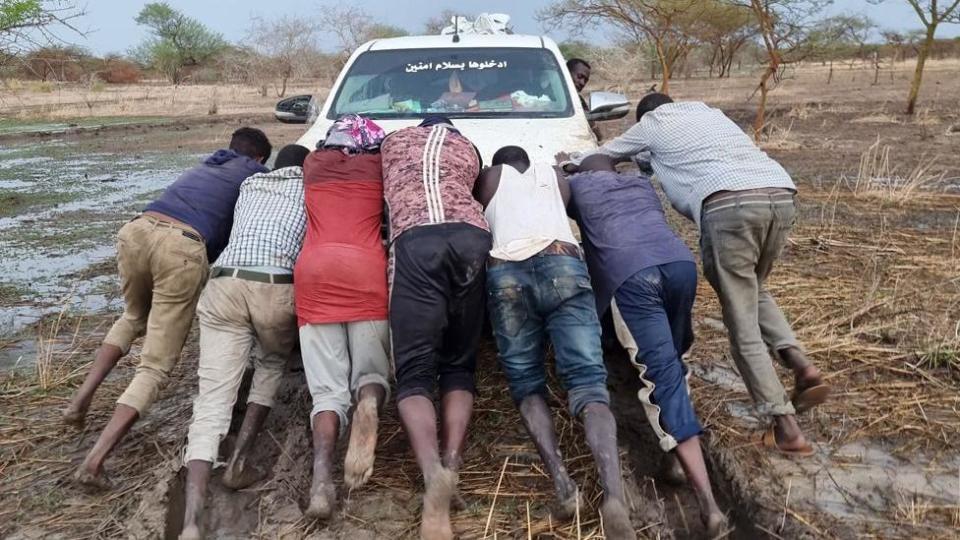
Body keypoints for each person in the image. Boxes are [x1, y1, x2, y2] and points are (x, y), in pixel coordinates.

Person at [563, 93, 830, 457]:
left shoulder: (653, 124)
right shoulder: (711, 115)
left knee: (741, 321)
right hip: (780, 195)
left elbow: (605, 154)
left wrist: (567, 163)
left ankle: (786, 427)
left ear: (644, 116)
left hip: (728, 205)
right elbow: (651, 162)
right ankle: (800, 363)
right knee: (752, 289)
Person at [66, 127, 272, 489]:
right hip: (181, 248)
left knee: (133, 316)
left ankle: (80, 400)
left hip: (138, 230)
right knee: (156, 366)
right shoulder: (254, 174)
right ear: (258, 158)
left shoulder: (208, 163)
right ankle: (94, 462)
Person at [475, 146, 635, 539]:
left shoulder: (489, 178)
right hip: (562, 260)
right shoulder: (551, 175)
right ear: (526, 162)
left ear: (498, 165)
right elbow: (564, 207)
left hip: (507, 270)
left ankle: (563, 483)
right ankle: (613, 495)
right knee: (588, 383)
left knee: (527, 383)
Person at [569, 154, 727, 537]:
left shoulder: (577, 186)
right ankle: (675, 460)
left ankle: (709, 505)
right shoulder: (640, 184)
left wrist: (568, 171)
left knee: (662, 378)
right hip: (679, 266)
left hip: (634, 276)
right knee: (673, 360)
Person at [179, 144, 309, 540]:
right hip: (274, 286)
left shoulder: (252, 184)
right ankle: (239, 460)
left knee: (212, 398)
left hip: (224, 284)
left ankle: (191, 521)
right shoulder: (312, 188)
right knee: (271, 362)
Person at [380, 116, 491, 540]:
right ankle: (454, 461)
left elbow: (383, 203)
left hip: (416, 240)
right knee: (460, 365)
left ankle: (432, 477)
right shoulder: (469, 148)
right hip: (472, 238)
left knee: (413, 374)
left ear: (418, 127)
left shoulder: (392, 144)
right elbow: (476, 192)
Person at [294, 115, 392, 520]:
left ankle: (320, 481)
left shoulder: (313, 167)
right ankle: (368, 400)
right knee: (371, 373)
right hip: (365, 270)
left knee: (326, 392)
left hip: (315, 272)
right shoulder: (378, 168)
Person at [566, 58, 602, 141]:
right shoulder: (546, 96)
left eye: (586, 80)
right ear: (566, 73)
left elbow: (597, 134)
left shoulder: (579, 100)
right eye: (579, 76)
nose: (582, 83)